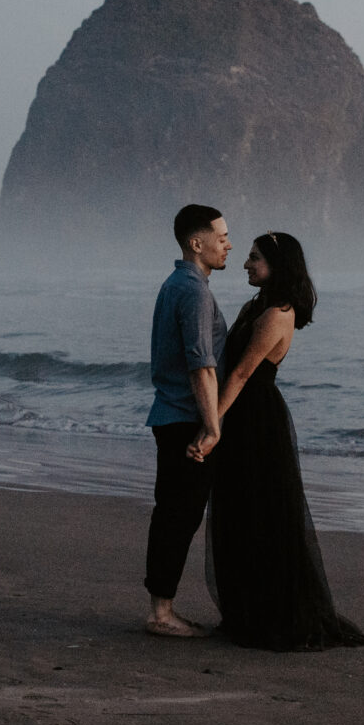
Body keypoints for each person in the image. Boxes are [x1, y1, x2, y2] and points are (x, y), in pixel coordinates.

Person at [196, 232, 364, 651]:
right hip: (241, 415)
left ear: (278, 265)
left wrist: (210, 426)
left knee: (265, 512)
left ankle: (271, 614)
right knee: (238, 510)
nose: (245, 264)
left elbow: (241, 374)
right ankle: (246, 610)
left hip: (259, 421)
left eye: (255, 258)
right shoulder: (254, 305)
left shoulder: (279, 313)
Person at [141, 203, 229, 637]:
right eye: (221, 237)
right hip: (184, 421)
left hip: (168, 415)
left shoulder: (174, 284)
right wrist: (212, 427)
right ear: (197, 243)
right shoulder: (194, 291)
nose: (228, 244)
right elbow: (202, 366)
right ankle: (161, 614)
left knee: (171, 515)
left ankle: (161, 608)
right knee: (180, 517)